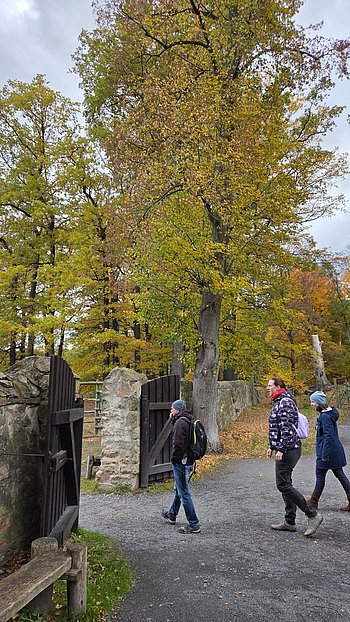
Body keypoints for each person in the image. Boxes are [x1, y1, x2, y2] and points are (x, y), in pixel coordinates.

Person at [266, 377, 323, 537]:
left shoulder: (285, 402)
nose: (267, 388)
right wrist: (272, 446)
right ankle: (289, 521)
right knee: (286, 483)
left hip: (290, 449)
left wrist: (281, 448)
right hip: (286, 448)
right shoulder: (279, 401)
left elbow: (287, 428)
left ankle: (312, 514)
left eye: (270, 385)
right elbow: (277, 427)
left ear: (278, 386)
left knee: (283, 485)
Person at [161, 399, 201, 534]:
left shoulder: (180, 423)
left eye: (172, 408)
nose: (171, 411)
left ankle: (194, 524)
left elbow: (178, 444)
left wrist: (174, 459)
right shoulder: (188, 420)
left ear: (178, 410)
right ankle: (172, 514)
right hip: (189, 461)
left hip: (182, 462)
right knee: (179, 489)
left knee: (184, 492)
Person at [308, 390, 350, 511]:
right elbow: (327, 432)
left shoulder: (325, 416)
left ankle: (313, 502)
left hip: (328, 452)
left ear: (319, 402)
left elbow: (328, 436)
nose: (312, 404)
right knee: (340, 474)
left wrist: (324, 455)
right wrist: (318, 426)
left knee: (320, 475)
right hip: (334, 450)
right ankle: (313, 501)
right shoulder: (329, 413)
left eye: (313, 402)